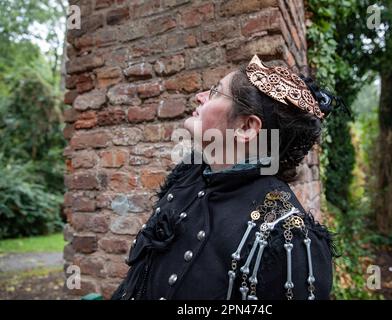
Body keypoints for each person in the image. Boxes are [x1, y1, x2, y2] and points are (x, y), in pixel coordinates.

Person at [111, 54, 345, 300]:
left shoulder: (288, 238)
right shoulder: (188, 175)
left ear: (246, 128)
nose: (199, 96)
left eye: (215, 92)